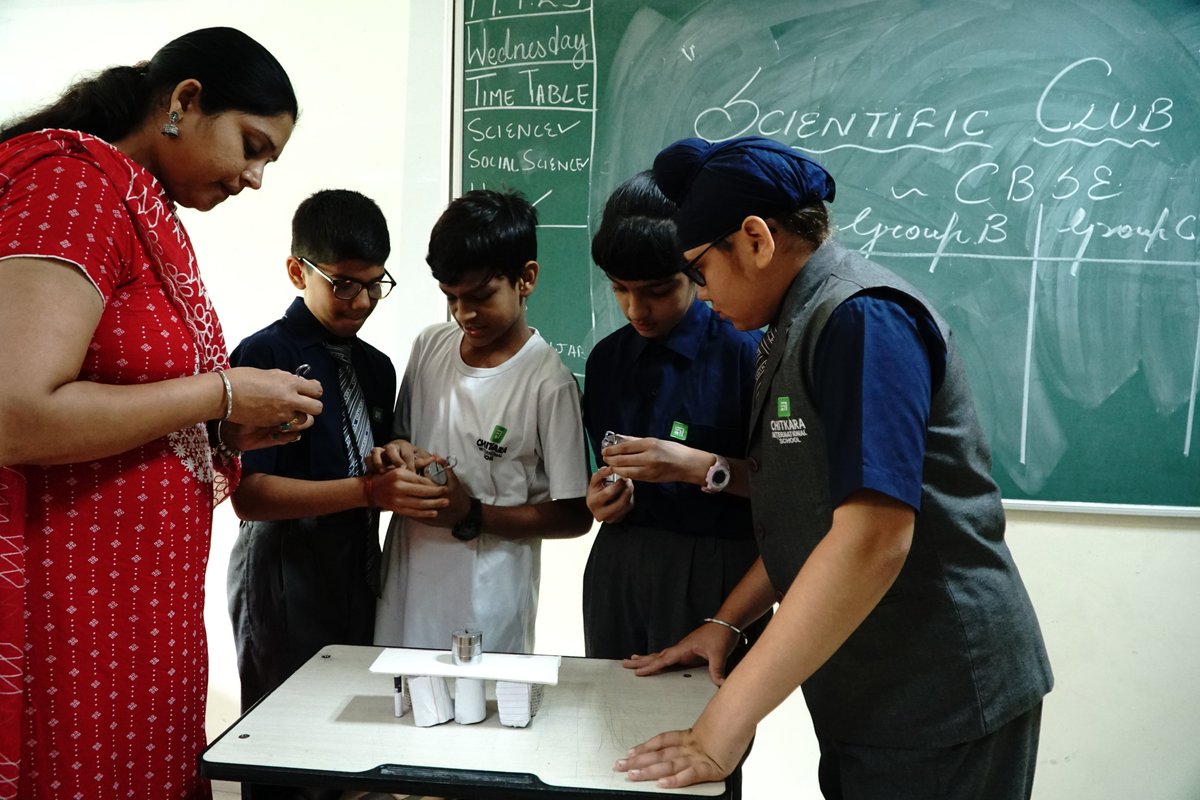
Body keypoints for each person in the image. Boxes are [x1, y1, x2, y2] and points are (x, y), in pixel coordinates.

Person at [616, 136, 1053, 799]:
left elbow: (872, 539)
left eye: (700, 270)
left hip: (940, 696)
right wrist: (726, 624)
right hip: (872, 689)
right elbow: (811, 511)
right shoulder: (795, 325)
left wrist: (723, 728)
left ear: (756, 240)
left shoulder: (862, 319)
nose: (700, 295)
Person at [0, 28, 322, 800]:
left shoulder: (134, 201)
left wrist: (220, 431)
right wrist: (222, 394)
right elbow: (16, 413)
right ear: (184, 102)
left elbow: (118, 399)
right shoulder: (70, 187)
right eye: (251, 146)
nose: (253, 179)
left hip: (132, 607)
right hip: (68, 605)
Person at [226, 189, 438, 800]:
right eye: (345, 284)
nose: (364, 301)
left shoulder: (375, 366)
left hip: (355, 557)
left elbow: (372, 452)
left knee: (347, 731)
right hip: (283, 562)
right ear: (298, 271)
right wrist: (367, 490)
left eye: (376, 284)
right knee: (284, 737)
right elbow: (252, 496)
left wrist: (398, 457)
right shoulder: (266, 356)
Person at [373, 188, 592, 655]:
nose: (464, 314)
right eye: (451, 298)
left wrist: (472, 513)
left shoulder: (547, 382)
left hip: (489, 602)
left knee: (476, 717)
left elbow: (575, 515)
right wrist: (398, 454)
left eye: (480, 296)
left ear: (525, 279)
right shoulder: (430, 346)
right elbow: (402, 437)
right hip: (407, 584)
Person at [582, 170, 766, 665]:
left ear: (696, 270)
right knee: (609, 717)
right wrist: (603, 499)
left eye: (657, 290)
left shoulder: (747, 353)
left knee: (703, 730)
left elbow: (792, 491)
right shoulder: (606, 361)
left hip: (718, 569)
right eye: (620, 289)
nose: (635, 309)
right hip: (618, 564)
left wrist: (697, 466)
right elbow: (598, 472)